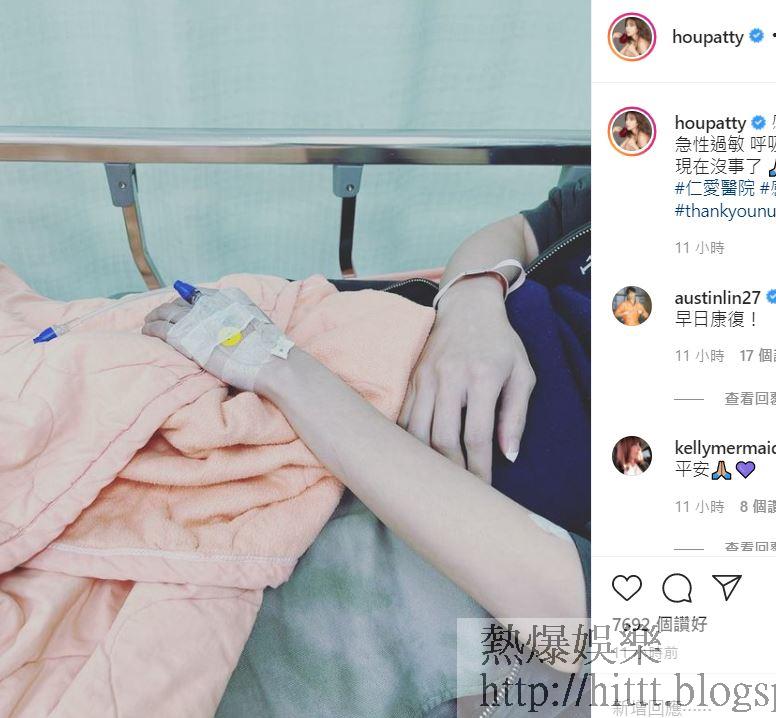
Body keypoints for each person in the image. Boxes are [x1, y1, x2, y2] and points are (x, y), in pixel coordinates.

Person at [145, 173, 592, 716]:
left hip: (444, 530)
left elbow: (577, 619)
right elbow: (521, 231)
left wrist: (281, 369)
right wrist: (473, 298)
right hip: (365, 352)